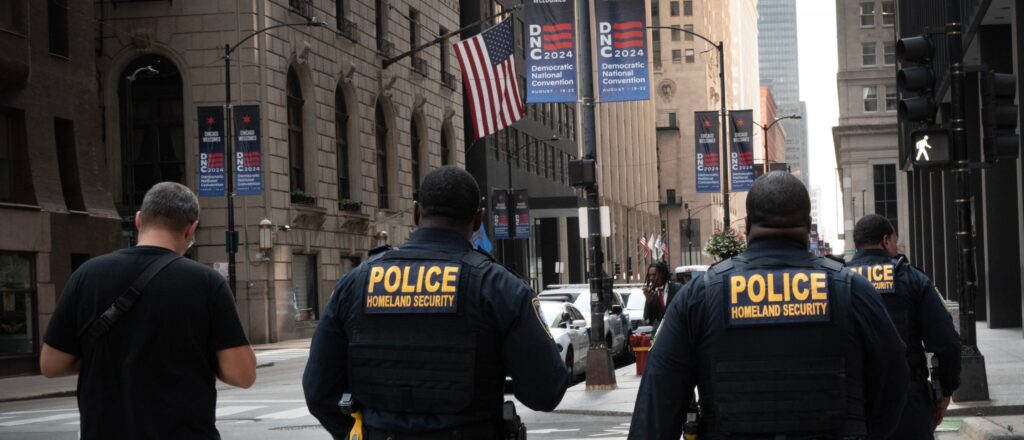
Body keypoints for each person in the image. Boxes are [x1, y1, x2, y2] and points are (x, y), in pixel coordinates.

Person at [628, 171, 909, 440]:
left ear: (748, 225)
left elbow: (657, 404)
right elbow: (894, 379)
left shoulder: (700, 295)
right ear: (807, 225)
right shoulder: (853, 290)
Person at [303, 166, 569, 439]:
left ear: (417, 212)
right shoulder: (500, 288)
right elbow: (546, 392)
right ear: (478, 220)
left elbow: (318, 393)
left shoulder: (355, 284)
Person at [40, 181, 256, 439]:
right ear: (191, 229)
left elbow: (51, 364)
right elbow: (243, 374)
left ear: (140, 221)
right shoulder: (207, 283)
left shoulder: (86, 275)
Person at [848, 214, 961, 439]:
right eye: (895, 241)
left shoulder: (838, 280)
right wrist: (946, 390)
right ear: (886, 241)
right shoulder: (912, 278)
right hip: (907, 398)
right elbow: (946, 342)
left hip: (853, 401)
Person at [642, 261, 681, 331]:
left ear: (662, 274)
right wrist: (648, 302)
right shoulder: (650, 293)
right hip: (659, 336)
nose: (651, 278)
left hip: (676, 333)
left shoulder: (677, 289)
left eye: (654, 275)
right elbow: (647, 320)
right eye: (649, 275)